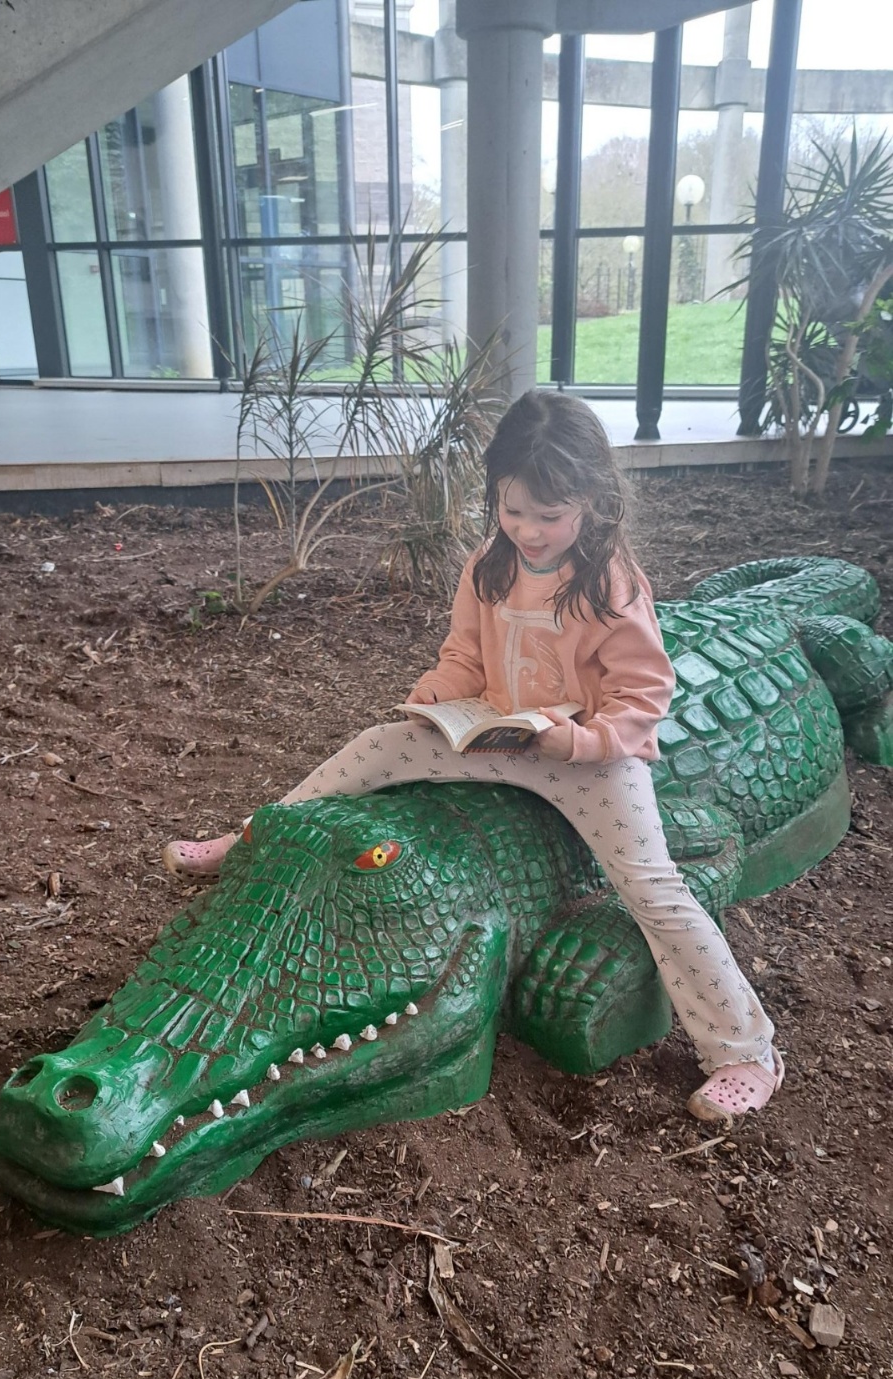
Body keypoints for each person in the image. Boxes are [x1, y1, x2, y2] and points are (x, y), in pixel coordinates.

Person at [163, 390, 783, 1123]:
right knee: (376, 746)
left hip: (587, 757)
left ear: (592, 502)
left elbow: (644, 693)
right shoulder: (489, 564)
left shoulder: (609, 584)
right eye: (512, 510)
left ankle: (745, 1052)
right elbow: (464, 655)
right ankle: (248, 835)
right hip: (497, 735)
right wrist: (437, 696)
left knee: (655, 889)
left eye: (548, 516)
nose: (528, 530)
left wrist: (583, 740)